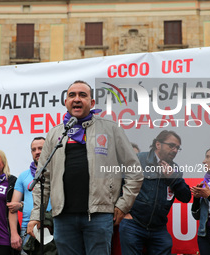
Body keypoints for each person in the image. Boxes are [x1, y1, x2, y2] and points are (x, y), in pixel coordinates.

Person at [27, 80, 144, 255]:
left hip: (99, 215)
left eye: (83, 95)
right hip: (63, 217)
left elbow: (134, 171)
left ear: (92, 102)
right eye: (72, 95)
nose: (77, 99)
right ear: (65, 102)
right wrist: (37, 215)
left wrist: (123, 204)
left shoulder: (110, 129)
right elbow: (43, 178)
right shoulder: (55, 134)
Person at [119, 130, 191, 255]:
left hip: (159, 229)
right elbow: (118, 183)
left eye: (177, 148)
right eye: (171, 146)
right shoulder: (138, 159)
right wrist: (124, 212)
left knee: (166, 245)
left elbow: (186, 197)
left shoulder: (175, 169)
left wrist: (173, 177)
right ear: (158, 144)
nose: (174, 150)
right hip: (134, 224)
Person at [8, 137, 52, 253]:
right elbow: (12, 207)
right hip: (28, 229)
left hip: (53, 227)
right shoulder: (23, 176)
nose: (37, 152)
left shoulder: (57, 172)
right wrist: (14, 234)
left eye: (40, 148)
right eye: (34, 149)